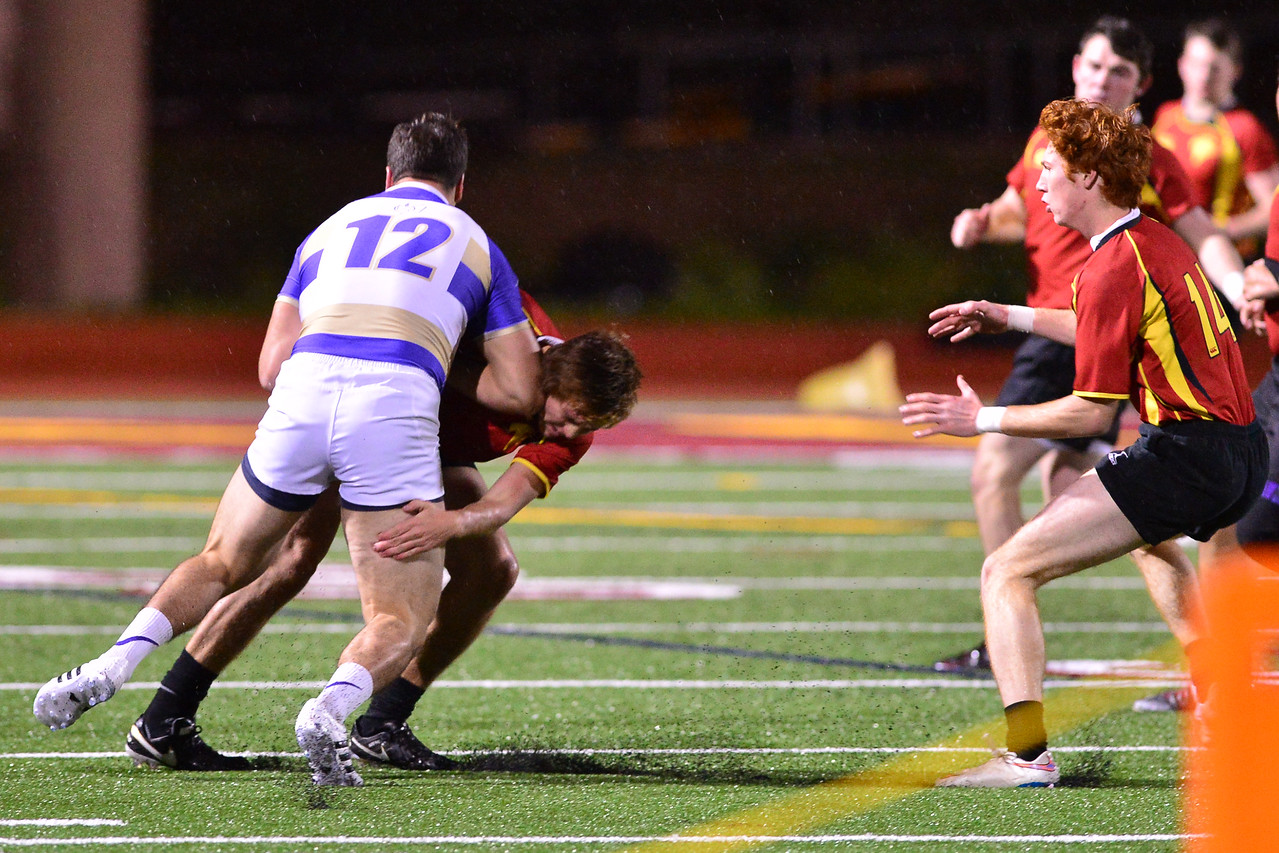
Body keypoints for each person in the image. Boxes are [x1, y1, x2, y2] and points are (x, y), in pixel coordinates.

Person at [32, 112, 544, 788]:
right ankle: (331, 709)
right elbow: (516, 389)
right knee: (399, 613)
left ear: (387, 176)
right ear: (460, 185)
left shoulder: (329, 229)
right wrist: (422, 348)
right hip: (392, 406)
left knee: (221, 560)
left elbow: (271, 364)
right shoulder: (475, 242)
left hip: (303, 389)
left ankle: (115, 662)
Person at [901, 97, 1267, 788]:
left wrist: (979, 419)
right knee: (1149, 538)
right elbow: (1102, 325)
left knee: (1004, 570)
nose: (1038, 182)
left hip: (1186, 455)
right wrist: (1003, 313)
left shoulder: (1110, 264)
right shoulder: (1152, 239)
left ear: (1090, 178)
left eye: (1051, 167)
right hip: (1237, 452)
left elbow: (1083, 412)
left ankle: (1025, 754)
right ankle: (1217, 690)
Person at [121, 292, 641, 772]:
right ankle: (167, 714)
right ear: (547, 371)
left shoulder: (571, 426)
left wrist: (451, 522)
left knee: (493, 570)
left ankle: (383, 722)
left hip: (428, 450)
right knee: (294, 558)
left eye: (586, 424)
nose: (569, 433)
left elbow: (504, 501)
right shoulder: (502, 321)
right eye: (568, 415)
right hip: (363, 412)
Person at [937, 15, 1259, 677]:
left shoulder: (1139, 181)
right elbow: (1017, 206)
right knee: (1100, 500)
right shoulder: (1045, 145)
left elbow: (1201, 230)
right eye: (1090, 65)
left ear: (1139, 83)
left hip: (1109, 333)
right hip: (1061, 325)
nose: (1098, 80)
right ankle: (1208, 662)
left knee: (1009, 485)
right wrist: (980, 225)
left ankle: (1012, 638)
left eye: (1116, 71)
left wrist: (1238, 283)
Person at [1152, 19, 1279, 260]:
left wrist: (1218, 231)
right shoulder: (1165, 115)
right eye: (1196, 64)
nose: (1204, 75)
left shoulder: (1245, 128)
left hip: (1223, 264)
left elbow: (1275, 208)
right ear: (1181, 65)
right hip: (1169, 259)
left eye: (1215, 67)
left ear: (1236, 71)